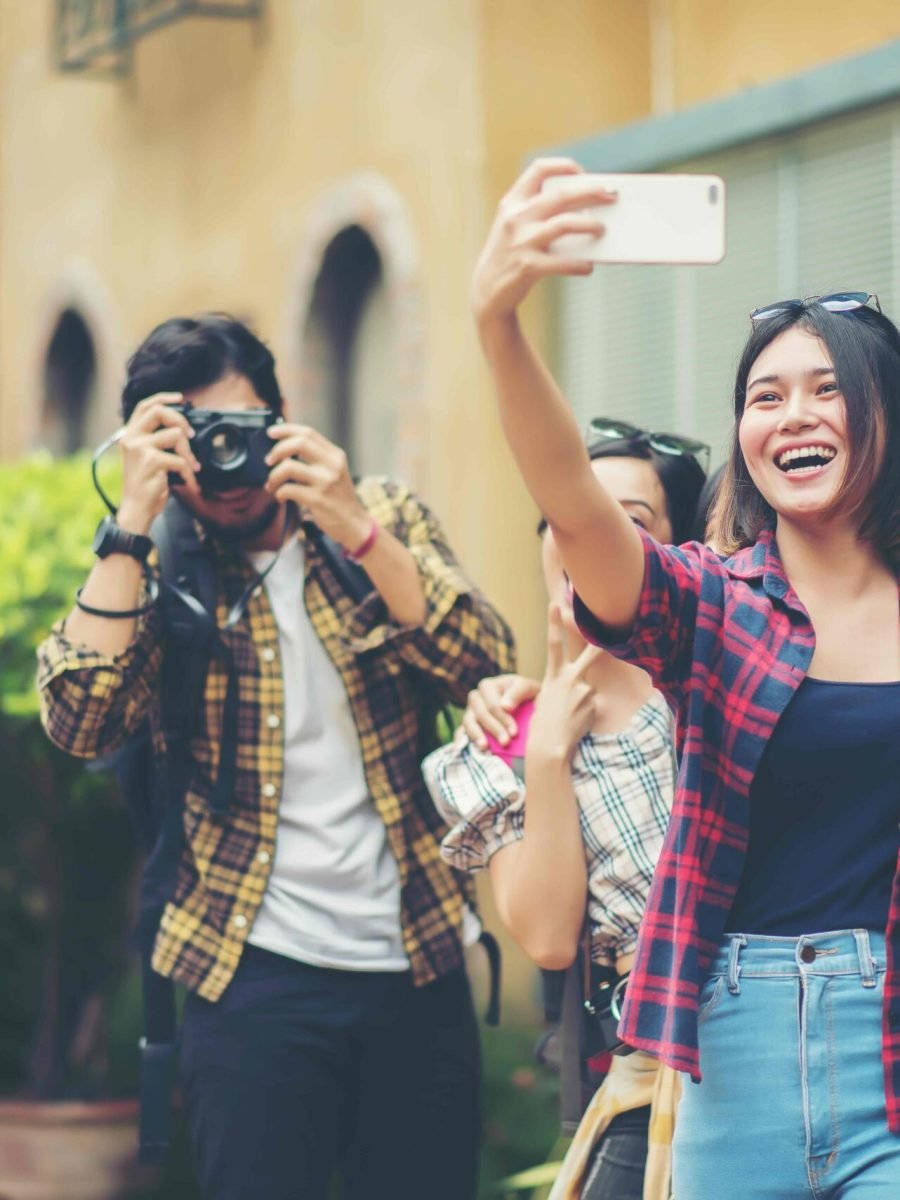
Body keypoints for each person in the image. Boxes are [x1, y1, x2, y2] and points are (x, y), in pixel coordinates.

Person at [471, 156, 900, 1197]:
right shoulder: (712, 604)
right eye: (764, 395)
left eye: (827, 390)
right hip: (731, 1037)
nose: (791, 415)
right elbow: (577, 504)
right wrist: (498, 323)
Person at [36, 313, 516, 1200]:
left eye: (240, 430)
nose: (224, 460)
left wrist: (360, 530)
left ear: (284, 419)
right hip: (246, 974)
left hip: (416, 962)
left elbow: (487, 667)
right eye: (192, 438)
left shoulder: (379, 516)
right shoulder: (155, 565)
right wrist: (132, 519)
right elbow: (79, 723)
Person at [423, 426, 706, 1200]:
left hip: (770, 1027)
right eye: (565, 514)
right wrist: (546, 755)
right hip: (641, 1065)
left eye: (630, 519)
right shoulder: (499, 737)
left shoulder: (711, 682)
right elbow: (547, 938)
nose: (587, 535)